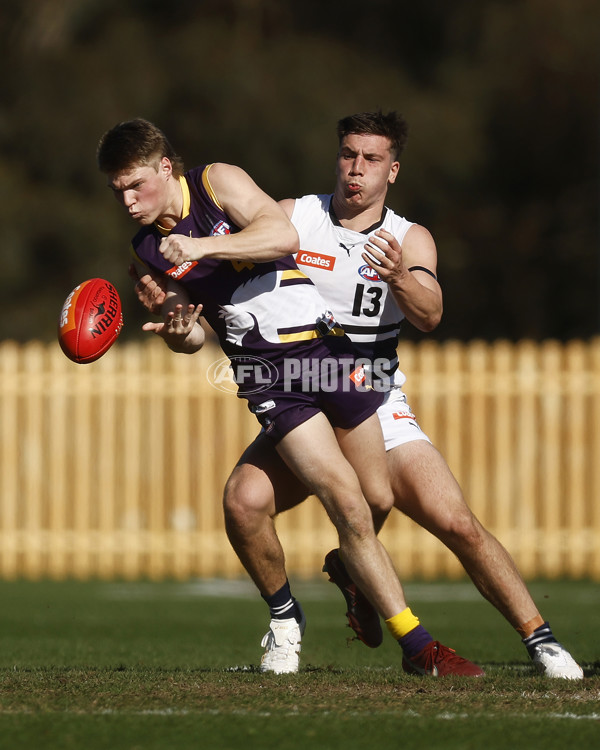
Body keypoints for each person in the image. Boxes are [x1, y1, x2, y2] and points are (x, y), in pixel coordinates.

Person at [97, 118, 484, 678]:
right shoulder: (150, 249)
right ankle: (418, 646)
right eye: (118, 193)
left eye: (136, 185)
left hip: (331, 351)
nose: (129, 202)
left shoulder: (217, 182)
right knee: (345, 498)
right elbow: (197, 334)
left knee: (375, 498)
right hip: (270, 372)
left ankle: (351, 576)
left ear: (166, 168)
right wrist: (178, 327)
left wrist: (201, 244)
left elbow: (283, 237)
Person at [218, 111, 583, 681]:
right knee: (243, 500)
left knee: (456, 521)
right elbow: (231, 269)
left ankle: (543, 642)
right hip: (306, 393)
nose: (355, 168)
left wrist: (401, 278)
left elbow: (431, 313)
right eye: (347, 154)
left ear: (394, 170)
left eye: (370, 159)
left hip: (375, 398)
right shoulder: (294, 217)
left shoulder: (409, 238)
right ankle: (288, 623)